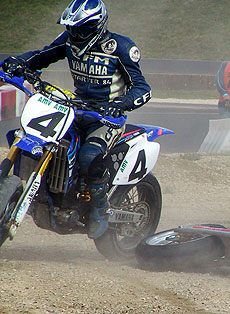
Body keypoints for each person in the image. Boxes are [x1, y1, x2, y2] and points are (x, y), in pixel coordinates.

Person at [1, 0, 151, 239]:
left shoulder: (120, 47)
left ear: (96, 25)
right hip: (76, 108)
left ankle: (100, 210)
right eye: (72, 28)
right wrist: (17, 62)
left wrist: (119, 105)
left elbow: (142, 88)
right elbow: (42, 56)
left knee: (89, 156)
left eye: (80, 28)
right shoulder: (69, 40)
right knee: (42, 138)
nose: (75, 34)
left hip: (106, 118)